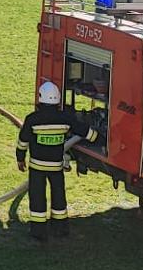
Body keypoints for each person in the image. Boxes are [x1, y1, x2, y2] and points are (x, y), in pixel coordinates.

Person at [15, 81, 96, 240]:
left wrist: (20, 158)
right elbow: (83, 131)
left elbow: (22, 141)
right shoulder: (65, 118)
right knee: (59, 196)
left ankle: (38, 231)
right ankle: (61, 228)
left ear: (40, 98)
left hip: (37, 167)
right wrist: (98, 136)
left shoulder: (32, 119)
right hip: (56, 167)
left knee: (37, 198)